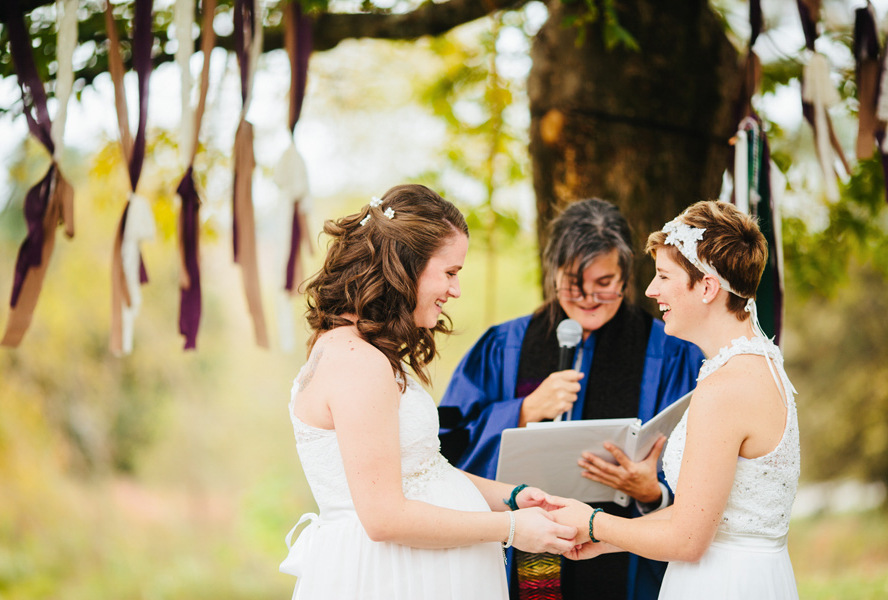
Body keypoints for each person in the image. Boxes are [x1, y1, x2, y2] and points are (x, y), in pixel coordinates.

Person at [279, 184, 577, 600]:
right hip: (392, 576)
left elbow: (421, 470)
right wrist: (511, 530)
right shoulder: (358, 363)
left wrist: (510, 498)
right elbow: (384, 517)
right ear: (406, 266)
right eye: (450, 272)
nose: (455, 290)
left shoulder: (361, 350)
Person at [439, 198, 704, 600]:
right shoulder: (505, 345)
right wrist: (523, 410)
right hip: (524, 552)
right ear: (552, 273)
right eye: (573, 283)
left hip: (625, 558)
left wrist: (652, 492)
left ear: (626, 275)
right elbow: (444, 450)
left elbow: (700, 471)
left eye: (604, 283)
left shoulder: (668, 353)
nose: (588, 298)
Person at [555, 200, 800, 599]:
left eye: (663, 276)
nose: (651, 290)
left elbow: (689, 539)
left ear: (707, 286)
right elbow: (709, 516)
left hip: (722, 583)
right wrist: (613, 541)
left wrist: (593, 521)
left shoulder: (727, 388)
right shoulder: (759, 363)